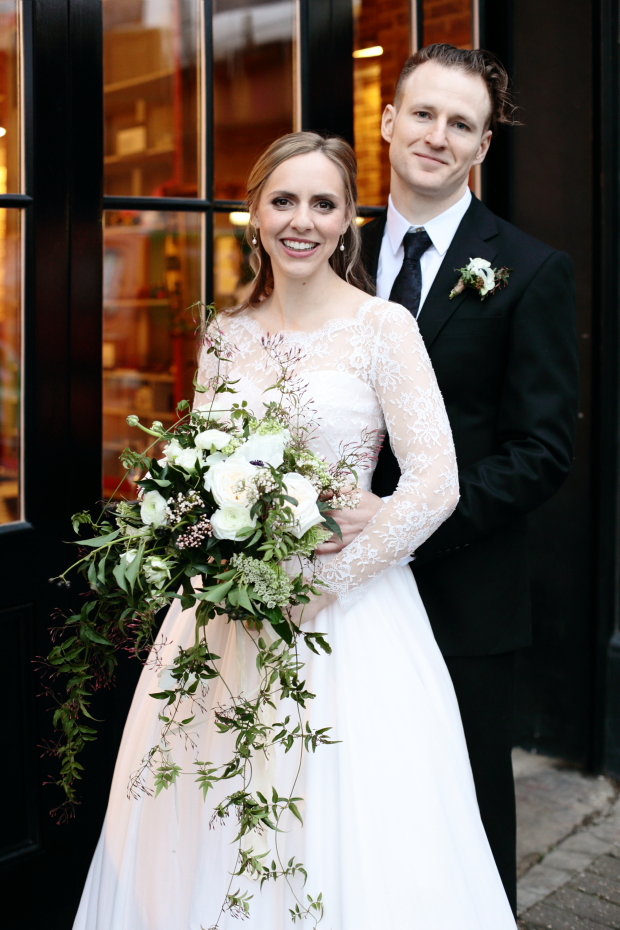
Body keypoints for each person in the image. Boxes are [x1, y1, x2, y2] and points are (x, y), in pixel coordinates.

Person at [73, 131, 517, 929]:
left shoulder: (385, 329)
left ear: (349, 219)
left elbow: (436, 481)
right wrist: (199, 550)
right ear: (254, 214)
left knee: (344, 825)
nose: (301, 220)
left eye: (323, 203)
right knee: (212, 817)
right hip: (225, 620)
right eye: (284, 200)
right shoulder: (226, 335)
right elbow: (201, 477)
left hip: (347, 617)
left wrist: (320, 585)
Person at [322, 44, 579, 911]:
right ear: (388, 122)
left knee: (463, 810)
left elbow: (543, 450)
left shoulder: (531, 269)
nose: (437, 135)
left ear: (481, 149)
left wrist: (408, 520)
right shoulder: (328, 248)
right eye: (423, 114)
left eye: (460, 124)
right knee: (349, 799)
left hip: (464, 593)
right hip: (335, 590)